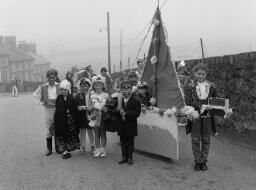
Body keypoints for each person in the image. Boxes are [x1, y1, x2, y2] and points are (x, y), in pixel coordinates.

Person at [185, 63, 218, 171]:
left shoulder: (212, 86)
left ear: (206, 74)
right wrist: (201, 106)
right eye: (198, 73)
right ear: (195, 73)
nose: (201, 76)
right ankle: (197, 161)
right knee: (195, 139)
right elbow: (188, 101)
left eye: (203, 74)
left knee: (206, 139)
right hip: (194, 115)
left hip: (207, 116)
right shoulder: (189, 86)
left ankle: (203, 161)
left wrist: (213, 106)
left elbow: (216, 100)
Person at [33, 69, 60, 156]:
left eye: (53, 77)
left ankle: (58, 147)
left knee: (57, 127)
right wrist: (41, 102)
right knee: (49, 128)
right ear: (47, 78)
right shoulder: (43, 87)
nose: (51, 79)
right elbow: (35, 94)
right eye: (50, 77)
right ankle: (49, 148)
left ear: (56, 77)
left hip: (58, 109)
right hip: (48, 109)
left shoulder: (59, 86)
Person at [116, 80, 141, 165]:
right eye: (124, 87)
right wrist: (118, 111)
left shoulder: (136, 99)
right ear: (121, 89)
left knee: (130, 142)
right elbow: (113, 111)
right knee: (123, 141)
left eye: (128, 87)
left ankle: (130, 157)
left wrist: (126, 113)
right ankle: (124, 157)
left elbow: (137, 113)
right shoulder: (118, 98)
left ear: (131, 89)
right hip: (121, 124)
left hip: (131, 124)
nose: (126, 89)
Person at [54, 79, 80, 159]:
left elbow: (74, 109)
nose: (63, 91)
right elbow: (57, 110)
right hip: (61, 120)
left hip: (70, 120)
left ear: (68, 90)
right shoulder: (59, 98)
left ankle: (68, 150)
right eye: (61, 90)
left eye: (64, 90)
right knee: (62, 135)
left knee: (69, 135)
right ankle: (63, 151)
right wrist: (56, 120)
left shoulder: (71, 98)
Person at [88, 75, 109, 158]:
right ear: (94, 86)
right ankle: (97, 150)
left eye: (100, 85)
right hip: (95, 117)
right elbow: (89, 107)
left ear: (103, 86)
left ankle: (103, 149)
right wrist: (92, 108)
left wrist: (105, 108)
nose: (98, 87)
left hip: (103, 117)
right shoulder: (92, 96)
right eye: (96, 85)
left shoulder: (106, 95)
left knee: (103, 134)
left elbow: (110, 105)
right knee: (96, 134)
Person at [74, 78, 95, 154]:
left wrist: (85, 108)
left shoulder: (92, 95)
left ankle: (93, 146)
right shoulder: (77, 96)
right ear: (80, 87)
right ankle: (82, 146)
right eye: (82, 86)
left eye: (85, 86)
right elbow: (75, 106)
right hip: (81, 117)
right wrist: (78, 108)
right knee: (82, 132)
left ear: (89, 86)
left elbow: (94, 106)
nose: (84, 88)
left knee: (90, 132)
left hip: (90, 116)